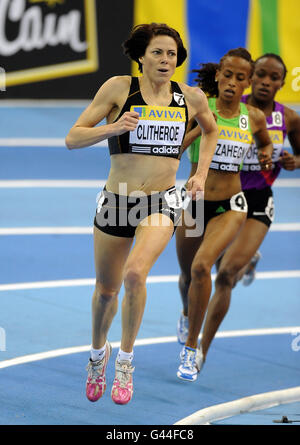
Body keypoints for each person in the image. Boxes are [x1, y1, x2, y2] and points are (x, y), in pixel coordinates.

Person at [65, 22, 218, 405]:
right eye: (157, 53)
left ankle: (126, 361)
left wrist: (199, 174)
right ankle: (98, 354)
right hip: (117, 200)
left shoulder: (191, 98)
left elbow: (211, 130)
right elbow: (72, 137)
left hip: (162, 201)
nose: (165, 60)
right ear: (141, 57)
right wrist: (113, 127)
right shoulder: (119, 88)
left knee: (136, 274)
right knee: (106, 290)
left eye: (171, 54)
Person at [187, 53, 300, 372]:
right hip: (221, 198)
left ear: (281, 82)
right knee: (203, 267)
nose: (266, 81)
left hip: (258, 201)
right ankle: (244, 257)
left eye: (273, 77)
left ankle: (200, 351)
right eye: (260, 75)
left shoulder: (288, 118)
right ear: (251, 78)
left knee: (225, 276)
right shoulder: (233, 106)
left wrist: (294, 161)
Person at [175, 48, 273, 382]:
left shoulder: (254, 117)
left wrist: (265, 154)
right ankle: (187, 312)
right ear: (217, 75)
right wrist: (203, 129)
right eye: (227, 75)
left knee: (204, 267)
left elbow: (264, 142)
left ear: (248, 83)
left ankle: (192, 350)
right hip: (194, 203)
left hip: (231, 205)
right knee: (187, 275)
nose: (232, 82)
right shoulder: (198, 107)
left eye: (240, 77)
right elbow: (173, 151)